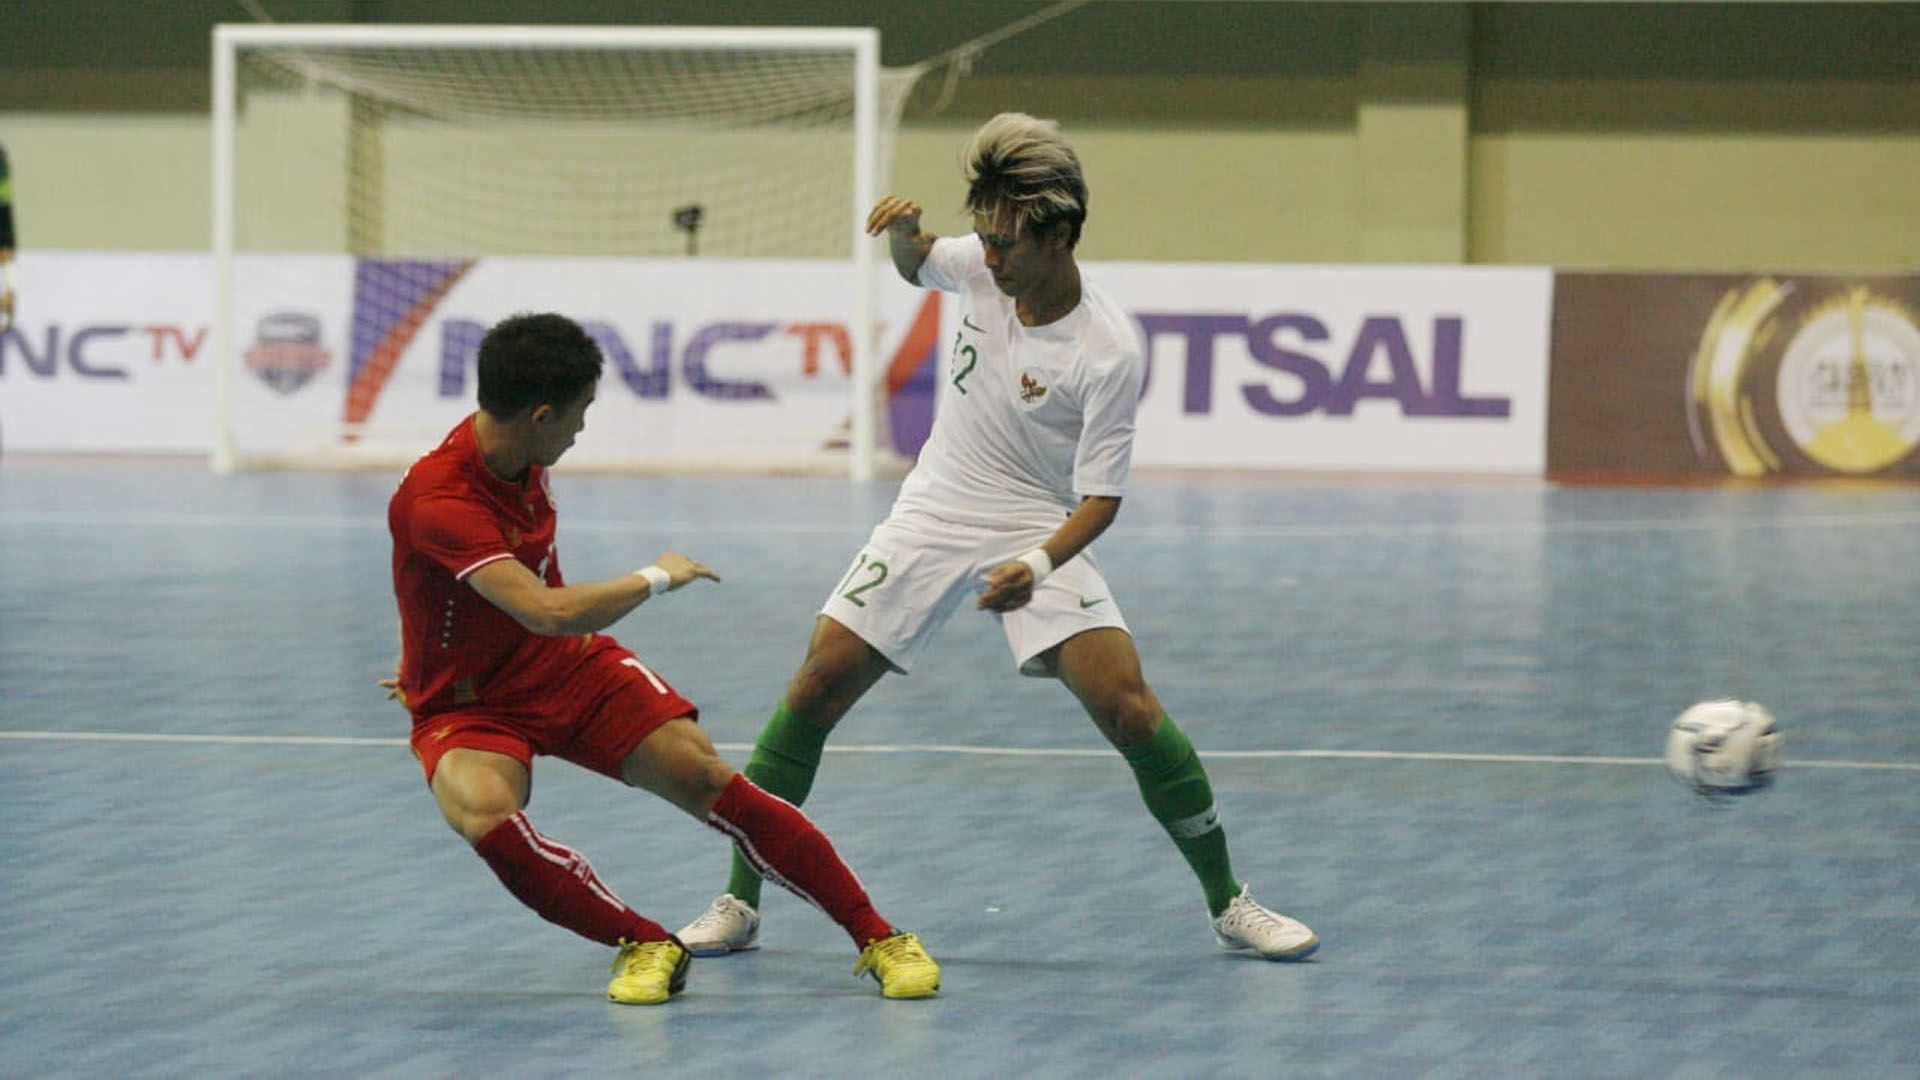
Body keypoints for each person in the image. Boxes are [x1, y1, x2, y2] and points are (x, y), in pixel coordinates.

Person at [678, 113, 1318, 963]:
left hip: (1034, 523)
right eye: (980, 237)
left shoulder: (1108, 349)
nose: (987, 257)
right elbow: (917, 266)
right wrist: (905, 240)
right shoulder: (982, 268)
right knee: (816, 685)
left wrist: (1038, 562)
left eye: (1006, 243)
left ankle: (1230, 901)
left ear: (1058, 236)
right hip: (934, 505)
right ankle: (739, 898)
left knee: (1128, 707)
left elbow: (1101, 498)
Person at [384, 312, 941, 1004]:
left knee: (706, 776)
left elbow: (478, 604)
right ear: (541, 414)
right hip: (473, 704)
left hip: (564, 668)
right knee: (483, 812)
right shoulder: (439, 498)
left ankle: (879, 936)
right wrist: (657, 576)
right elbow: (545, 607)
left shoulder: (522, 457)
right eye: (580, 413)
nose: (582, 429)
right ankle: (645, 942)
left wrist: (438, 650)